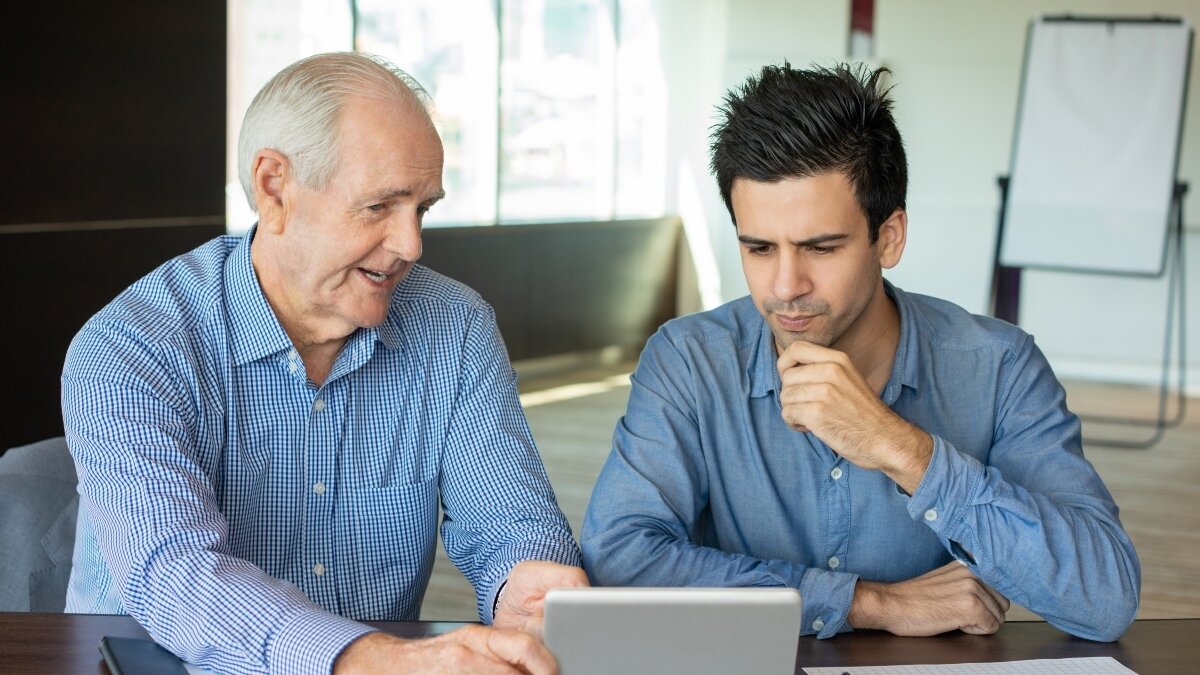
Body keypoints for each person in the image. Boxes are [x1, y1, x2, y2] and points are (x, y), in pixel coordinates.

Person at [62, 52, 586, 674]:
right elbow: (176, 576)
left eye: (422, 209)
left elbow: (510, 520)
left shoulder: (456, 326)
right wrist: (366, 660)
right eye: (378, 207)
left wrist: (525, 583)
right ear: (274, 187)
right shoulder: (131, 343)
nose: (411, 245)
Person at [581, 63, 1140, 643]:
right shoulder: (690, 361)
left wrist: (900, 447)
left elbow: (1104, 599)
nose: (785, 285)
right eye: (759, 248)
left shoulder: (998, 365)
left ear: (889, 238)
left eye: (821, 247)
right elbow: (619, 561)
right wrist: (867, 603)